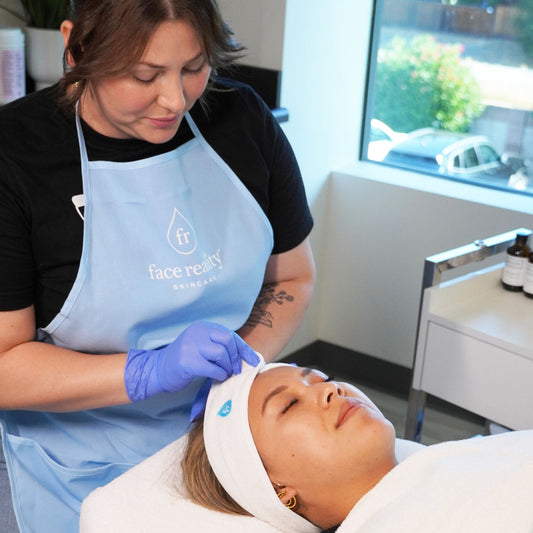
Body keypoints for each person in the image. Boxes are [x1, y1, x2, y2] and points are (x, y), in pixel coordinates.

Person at [0, 0, 315, 531]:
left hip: (221, 437)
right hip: (76, 460)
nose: (174, 99)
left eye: (193, 67)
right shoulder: (14, 155)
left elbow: (291, 277)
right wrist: (149, 372)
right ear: (76, 49)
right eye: (143, 75)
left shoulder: (243, 121)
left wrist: (234, 371)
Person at [182, 358, 533, 533]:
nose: (330, 390)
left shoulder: (456, 461)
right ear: (276, 490)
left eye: (323, 379)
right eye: (289, 405)